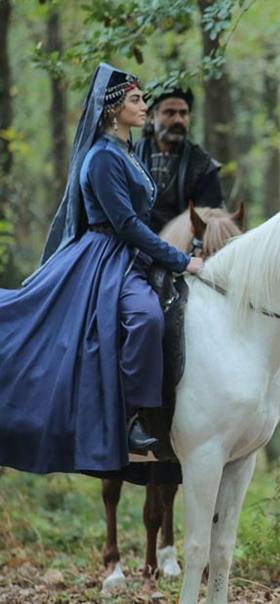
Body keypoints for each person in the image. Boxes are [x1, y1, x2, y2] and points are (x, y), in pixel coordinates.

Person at [0, 64, 202, 475]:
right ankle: (132, 420)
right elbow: (126, 225)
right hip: (108, 255)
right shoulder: (103, 158)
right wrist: (181, 259)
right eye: (136, 100)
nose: (145, 106)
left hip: (129, 253)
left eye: (142, 99)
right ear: (113, 110)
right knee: (145, 319)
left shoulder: (126, 151)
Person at [134, 88, 225, 233]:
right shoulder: (130, 156)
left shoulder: (202, 165)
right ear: (152, 116)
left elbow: (211, 217)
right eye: (169, 113)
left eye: (183, 113)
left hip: (184, 246)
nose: (178, 120)